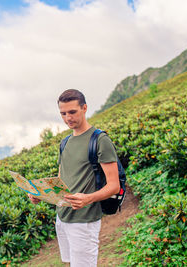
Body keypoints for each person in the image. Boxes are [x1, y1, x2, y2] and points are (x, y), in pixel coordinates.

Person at [28, 89, 120, 267]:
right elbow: (61, 181)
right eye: (63, 113)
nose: (68, 118)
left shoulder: (100, 140)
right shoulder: (65, 142)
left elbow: (114, 186)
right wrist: (41, 194)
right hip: (62, 217)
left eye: (72, 112)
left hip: (84, 220)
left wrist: (88, 198)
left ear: (84, 108)